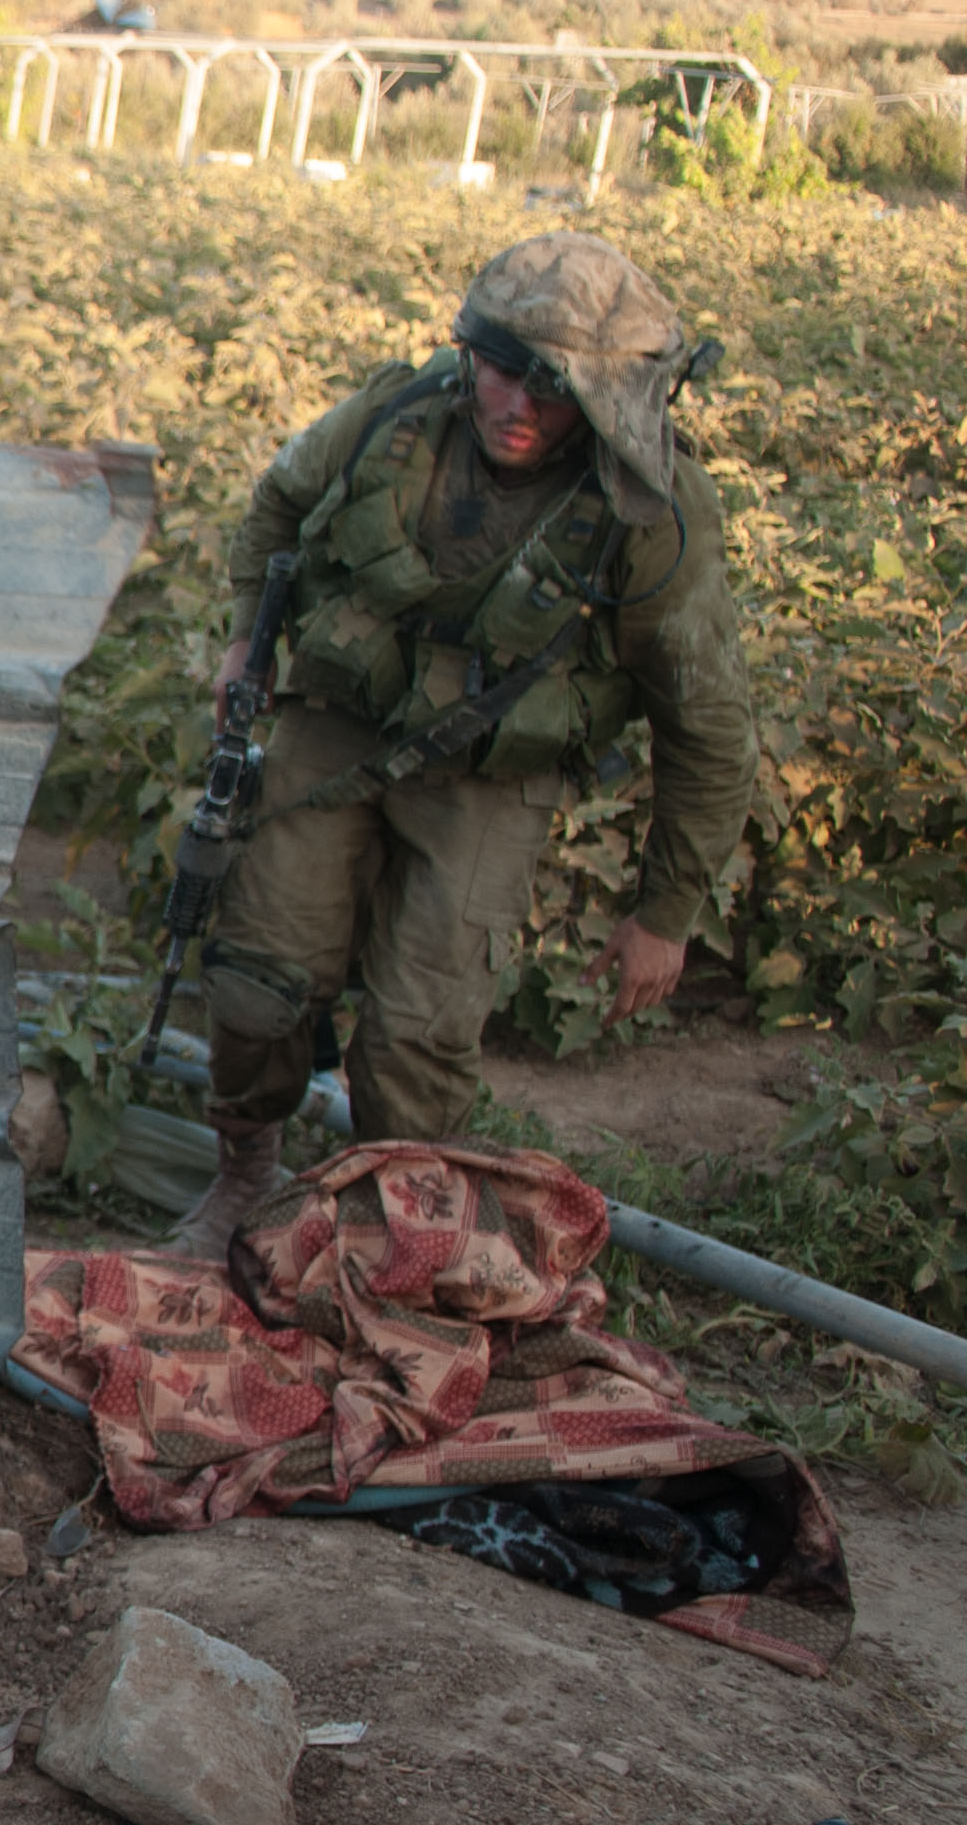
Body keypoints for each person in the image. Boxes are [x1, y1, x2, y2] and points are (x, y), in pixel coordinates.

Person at [161, 230, 757, 1261]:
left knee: (420, 1033)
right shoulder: (396, 420)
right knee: (259, 977)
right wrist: (240, 645)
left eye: (553, 390)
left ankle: (369, 1233)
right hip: (337, 722)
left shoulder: (648, 514)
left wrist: (665, 911)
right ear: (468, 353)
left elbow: (704, 722)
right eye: (501, 372)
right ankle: (243, 1180)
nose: (517, 407)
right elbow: (278, 503)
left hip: (488, 775)